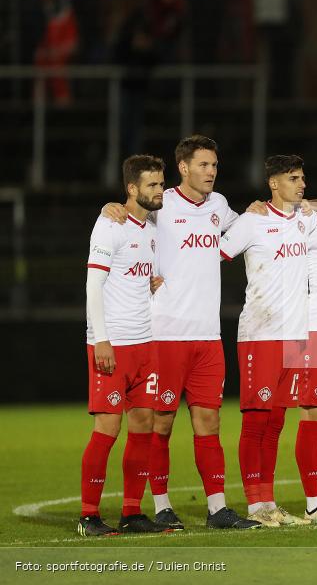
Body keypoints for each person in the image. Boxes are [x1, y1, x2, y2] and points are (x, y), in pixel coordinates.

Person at [103, 135, 260, 529]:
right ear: (184, 167)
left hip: (208, 337)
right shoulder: (163, 203)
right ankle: (160, 505)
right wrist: (111, 208)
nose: (211, 172)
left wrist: (262, 213)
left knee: (209, 423)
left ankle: (217, 509)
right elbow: (129, 216)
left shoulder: (219, 206)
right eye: (204, 165)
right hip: (165, 334)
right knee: (161, 423)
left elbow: (247, 231)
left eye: (215, 165)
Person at [219, 155, 317, 527]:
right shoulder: (253, 221)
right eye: (294, 178)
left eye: (303, 178)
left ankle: (269, 502)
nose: (301, 184)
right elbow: (211, 253)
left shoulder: (307, 219)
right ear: (274, 184)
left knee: (276, 421)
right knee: (256, 421)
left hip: (295, 336)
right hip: (261, 335)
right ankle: (255, 505)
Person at [79, 155, 168, 536]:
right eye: (152, 185)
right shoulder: (109, 224)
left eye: (161, 184)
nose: (159, 191)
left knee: (144, 424)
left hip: (145, 344)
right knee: (108, 428)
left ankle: (132, 511)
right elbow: (92, 286)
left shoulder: (151, 226)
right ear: (132, 189)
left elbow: (138, 276)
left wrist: (153, 282)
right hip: (112, 343)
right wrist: (101, 338)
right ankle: (88, 516)